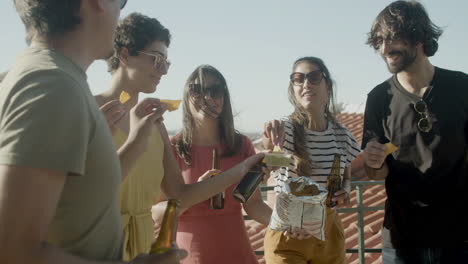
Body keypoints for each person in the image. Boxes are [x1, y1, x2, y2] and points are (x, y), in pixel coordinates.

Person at [0, 1, 186, 263]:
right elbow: (13, 250)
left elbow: (77, 200)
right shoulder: (53, 84)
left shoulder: (52, 79)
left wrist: (135, 141)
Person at [95, 14, 266, 260]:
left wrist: (242, 170)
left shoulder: (155, 123)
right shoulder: (86, 109)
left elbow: (181, 195)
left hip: (144, 251)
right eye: (156, 59)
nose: (163, 69)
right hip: (97, 245)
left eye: (166, 62)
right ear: (124, 55)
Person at [362, 1, 468, 263]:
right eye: (379, 40)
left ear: (419, 36)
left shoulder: (462, 87)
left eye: (393, 37)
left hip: (460, 240)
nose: (385, 48)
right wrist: (374, 162)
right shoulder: (378, 98)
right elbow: (378, 172)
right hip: (402, 243)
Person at [152, 65, 272, 264]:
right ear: (186, 96)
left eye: (214, 91)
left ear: (224, 98)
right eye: (197, 90)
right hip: (191, 256)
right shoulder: (172, 148)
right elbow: (156, 213)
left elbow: (254, 205)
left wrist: (289, 225)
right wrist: (196, 192)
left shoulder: (241, 145)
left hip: (237, 253)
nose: (206, 98)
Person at [262, 57, 360, 264]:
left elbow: (346, 178)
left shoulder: (343, 135)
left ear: (328, 86)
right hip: (289, 236)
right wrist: (269, 139)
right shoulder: (284, 130)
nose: (306, 84)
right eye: (298, 79)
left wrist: (346, 191)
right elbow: (271, 165)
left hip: (328, 235)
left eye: (314, 77)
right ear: (293, 89)